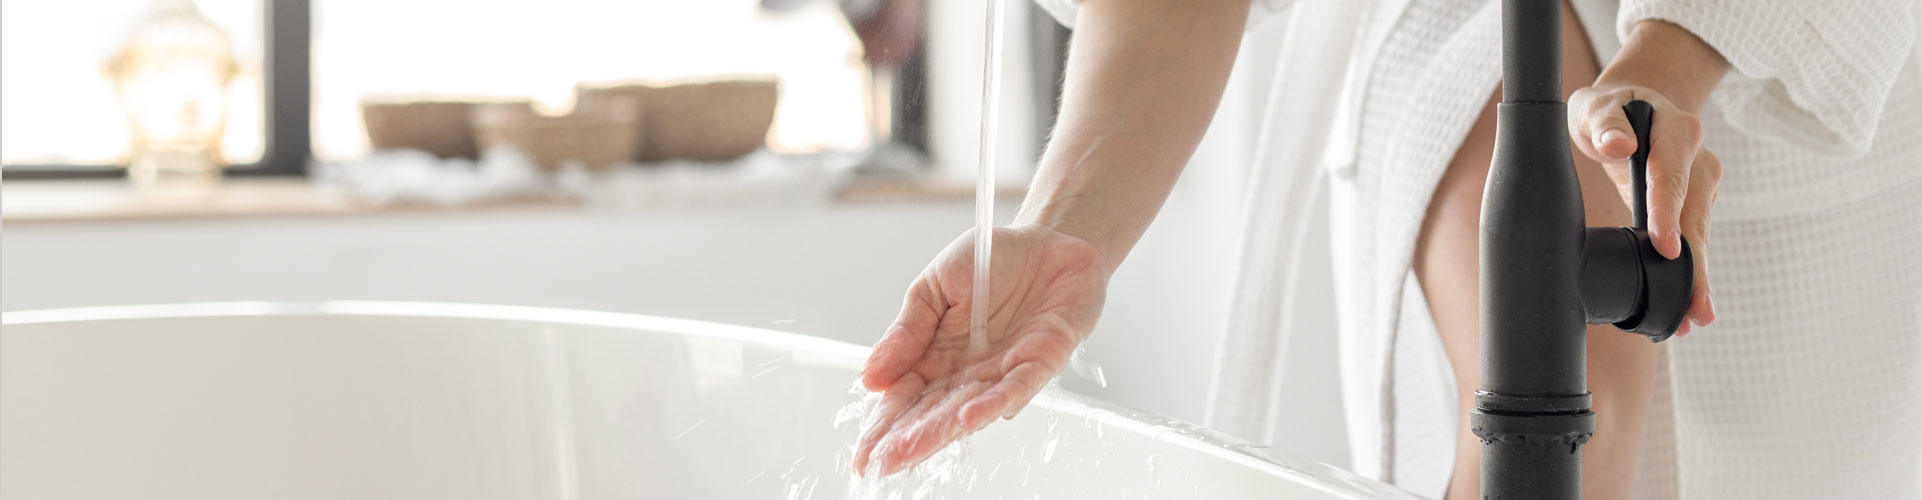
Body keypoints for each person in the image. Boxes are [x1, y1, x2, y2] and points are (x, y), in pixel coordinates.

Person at [851, 0, 1922, 498]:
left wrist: (1672, 65)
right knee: (1550, 403)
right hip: (1453, 29)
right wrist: (1066, 225)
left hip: (1773, 85)